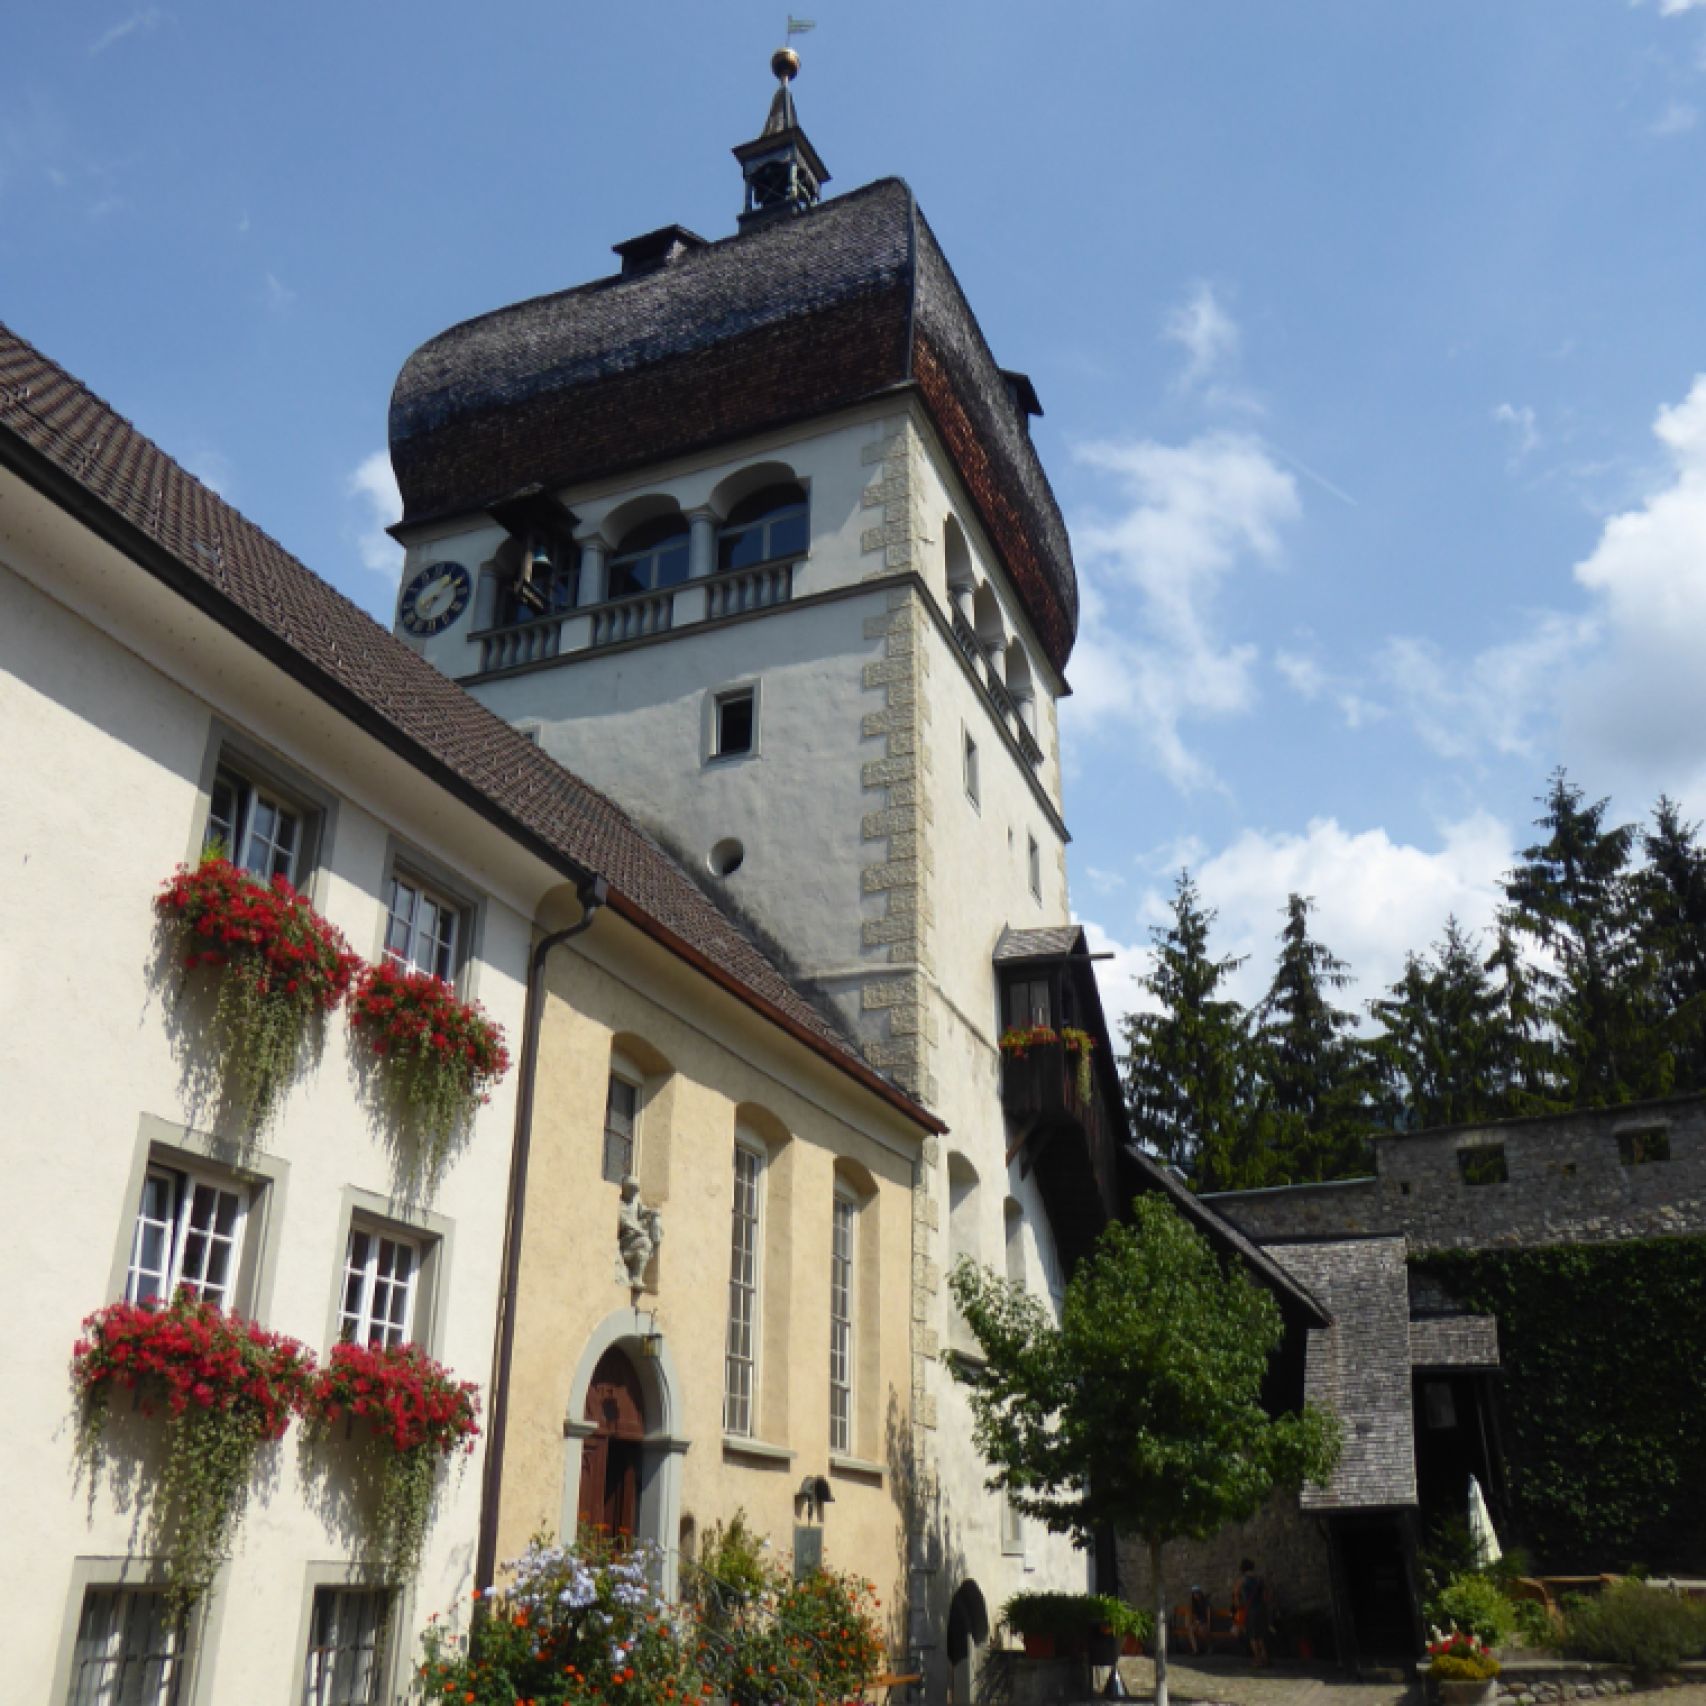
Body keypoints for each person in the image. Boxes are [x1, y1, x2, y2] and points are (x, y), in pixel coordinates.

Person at [1236, 1558, 1271, 1669]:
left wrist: (1239, 1606)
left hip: (1250, 1610)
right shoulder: (1260, 1579)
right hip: (1261, 1609)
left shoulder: (1242, 1580)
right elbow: (1266, 1596)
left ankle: (1258, 1659)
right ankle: (1265, 1658)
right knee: (1260, 1635)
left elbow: (1236, 1595)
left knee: (1252, 1636)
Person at [1186, 1585, 1211, 1656]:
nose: (1195, 1595)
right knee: (1190, 1630)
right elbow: (1194, 1615)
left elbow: (1208, 1615)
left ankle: (1209, 1646)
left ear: (1200, 1593)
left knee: (1201, 1630)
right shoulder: (1194, 1603)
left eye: (1196, 1593)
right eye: (1194, 1594)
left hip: (1204, 1621)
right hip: (1198, 1621)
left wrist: (1209, 1625)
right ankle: (1196, 1650)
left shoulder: (1205, 1602)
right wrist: (1194, 1622)